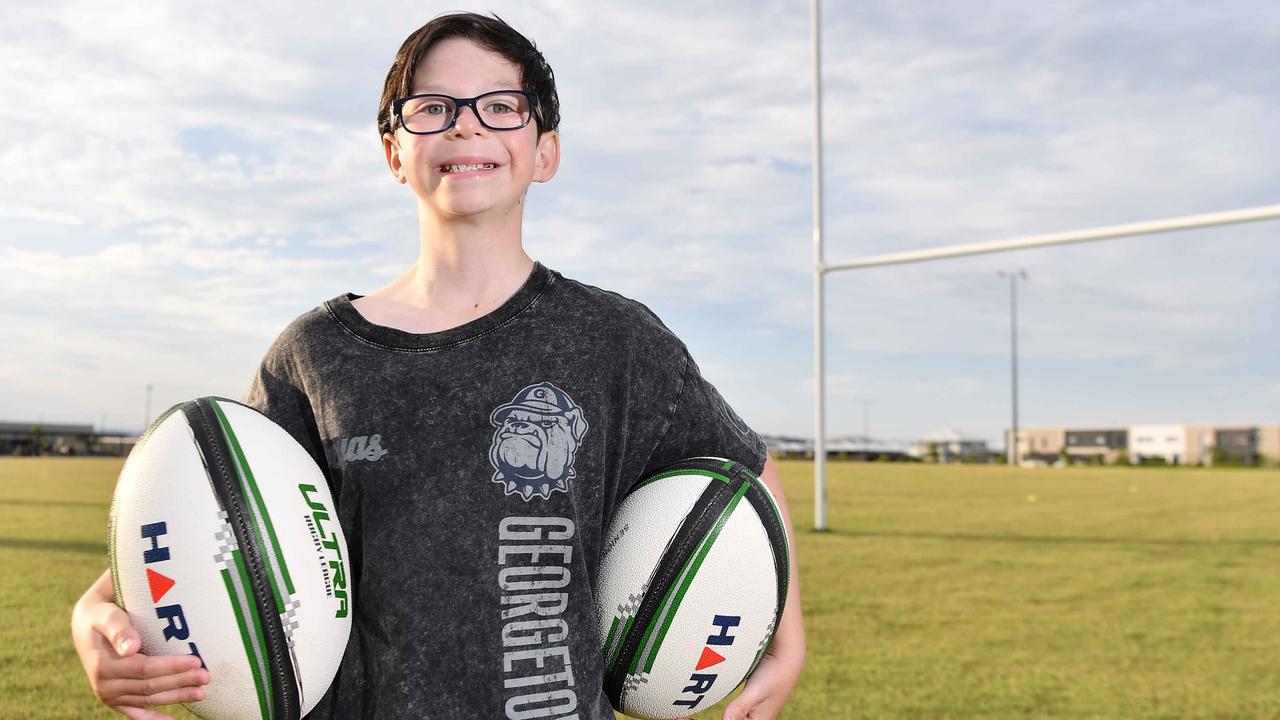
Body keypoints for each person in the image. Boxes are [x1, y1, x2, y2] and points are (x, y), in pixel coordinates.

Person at [71, 11, 805, 719]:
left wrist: (788, 630)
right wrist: (95, 610)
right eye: (432, 107)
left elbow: (742, 466)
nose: (466, 123)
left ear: (545, 150)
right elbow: (211, 503)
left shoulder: (614, 339)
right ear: (394, 151)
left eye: (500, 106)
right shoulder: (315, 356)